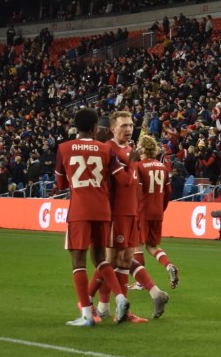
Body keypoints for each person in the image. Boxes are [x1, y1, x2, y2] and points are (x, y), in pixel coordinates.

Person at [91, 111, 169, 323]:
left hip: (132, 212)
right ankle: (94, 305)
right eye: (123, 125)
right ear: (112, 129)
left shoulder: (129, 150)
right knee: (110, 260)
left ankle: (118, 311)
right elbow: (117, 181)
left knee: (124, 260)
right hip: (114, 213)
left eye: (130, 125)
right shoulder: (108, 149)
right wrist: (129, 161)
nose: (128, 129)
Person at [55, 108, 129, 327]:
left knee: (78, 261)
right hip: (103, 209)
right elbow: (123, 179)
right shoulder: (106, 150)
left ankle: (87, 315)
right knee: (100, 259)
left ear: (75, 127)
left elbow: (60, 184)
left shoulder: (64, 148)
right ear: (96, 127)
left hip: (80, 210)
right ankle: (120, 296)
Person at [135, 133, 179, 292]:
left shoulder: (139, 166)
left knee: (137, 246)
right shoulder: (163, 167)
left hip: (142, 211)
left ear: (142, 148)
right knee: (152, 246)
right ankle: (169, 265)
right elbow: (168, 192)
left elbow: (137, 191)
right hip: (157, 212)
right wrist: (161, 208)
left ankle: (140, 282)